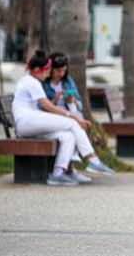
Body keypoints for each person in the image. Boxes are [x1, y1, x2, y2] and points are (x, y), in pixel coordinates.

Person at [12, 49, 115, 186]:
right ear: (37, 70)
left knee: (68, 136)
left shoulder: (29, 81)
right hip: (27, 121)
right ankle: (93, 159)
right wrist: (74, 117)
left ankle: (58, 173)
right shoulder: (32, 82)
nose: (48, 74)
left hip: (29, 123)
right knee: (72, 124)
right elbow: (48, 106)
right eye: (47, 71)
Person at [41, 52, 90, 183]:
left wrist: (71, 100)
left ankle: (68, 169)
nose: (61, 74)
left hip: (68, 115)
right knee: (73, 128)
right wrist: (55, 100)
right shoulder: (43, 84)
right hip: (52, 117)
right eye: (58, 70)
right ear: (51, 69)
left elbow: (78, 103)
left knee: (74, 127)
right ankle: (71, 168)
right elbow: (41, 108)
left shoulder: (68, 81)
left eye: (63, 70)